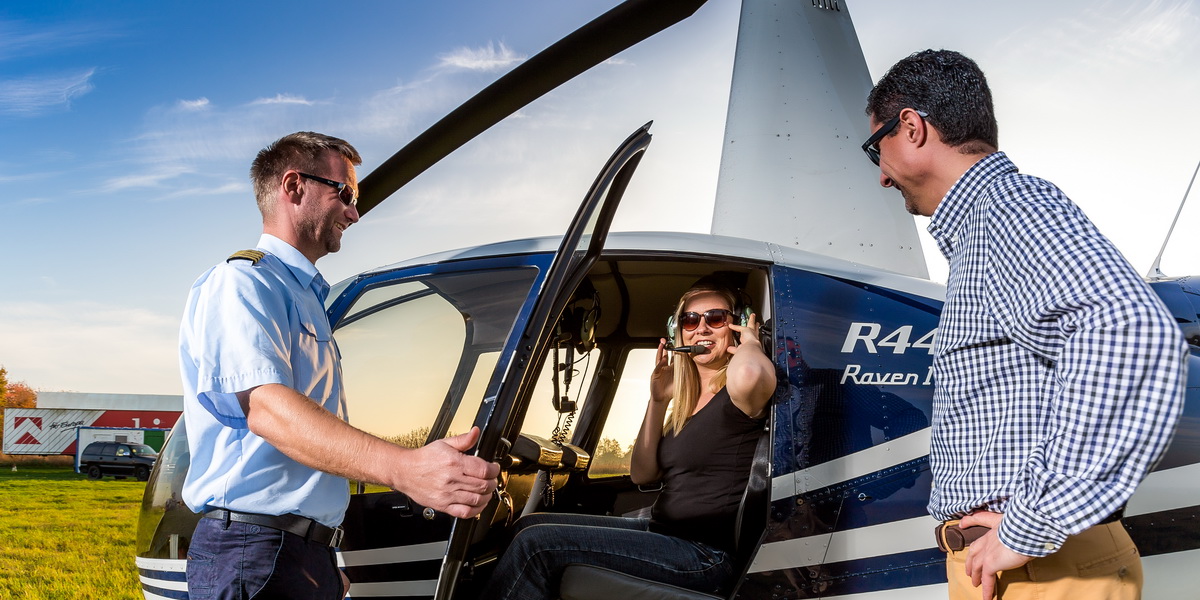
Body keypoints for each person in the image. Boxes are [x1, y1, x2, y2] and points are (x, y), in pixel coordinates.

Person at [863, 50, 1187, 600]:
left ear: (912, 128)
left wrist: (1032, 525)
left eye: (878, 148)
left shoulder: (1006, 208)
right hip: (1009, 567)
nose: (881, 177)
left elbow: (1131, 332)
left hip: (1044, 570)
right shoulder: (981, 232)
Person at [179, 131, 500, 600]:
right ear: (293, 187)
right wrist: (406, 469)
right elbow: (268, 411)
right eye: (345, 193)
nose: (353, 212)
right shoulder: (242, 284)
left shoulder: (306, 298)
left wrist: (321, 556)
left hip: (296, 553)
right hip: (254, 549)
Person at [482, 280, 776, 599]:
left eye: (715, 318)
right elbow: (643, 473)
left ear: (735, 323)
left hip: (704, 555)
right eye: (690, 320)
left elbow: (751, 374)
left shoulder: (737, 397)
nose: (701, 328)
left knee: (534, 546)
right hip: (663, 531)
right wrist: (658, 400)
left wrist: (750, 342)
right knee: (527, 527)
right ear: (679, 332)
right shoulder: (687, 404)